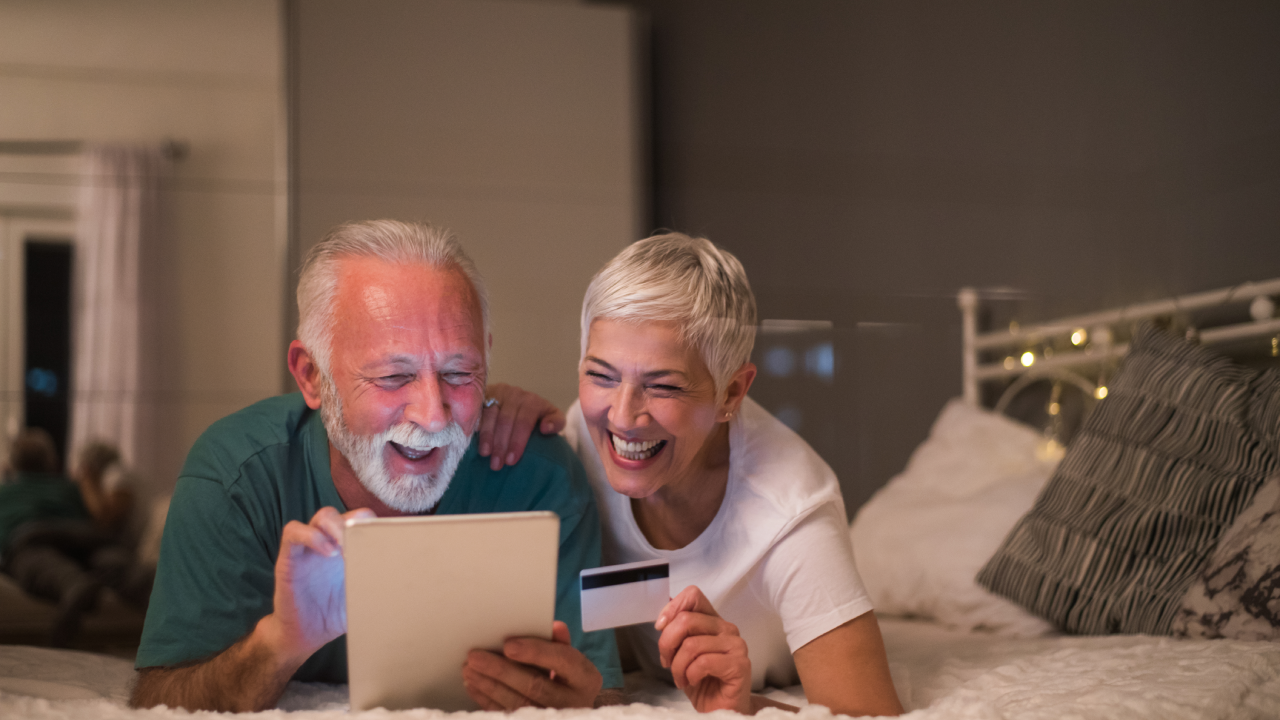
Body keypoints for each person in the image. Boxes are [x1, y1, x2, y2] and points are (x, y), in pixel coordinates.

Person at [129, 220, 621, 712]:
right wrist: (279, 642)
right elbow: (160, 701)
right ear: (311, 375)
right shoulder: (235, 476)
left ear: (487, 360)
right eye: (393, 376)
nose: (432, 415)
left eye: (458, 372)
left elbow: (603, 689)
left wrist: (581, 703)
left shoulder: (539, 475)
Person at [472, 233, 903, 716]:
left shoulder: (792, 514)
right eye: (601, 375)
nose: (622, 416)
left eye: (663, 386)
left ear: (731, 394)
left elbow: (872, 716)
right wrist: (495, 413)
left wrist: (747, 706)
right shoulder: (577, 443)